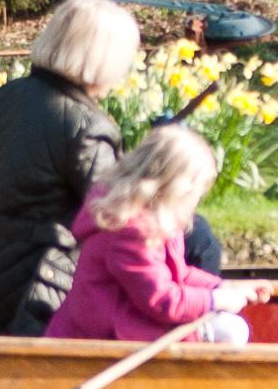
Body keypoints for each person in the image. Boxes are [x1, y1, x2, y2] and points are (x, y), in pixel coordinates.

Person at [0, 0, 225, 336]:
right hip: (41, 300)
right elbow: (121, 216)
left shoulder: (6, 97)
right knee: (198, 237)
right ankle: (195, 337)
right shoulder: (87, 126)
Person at [46, 125, 265, 346]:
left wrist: (222, 287)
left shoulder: (156, 219)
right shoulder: (131, 231)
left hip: (129, 325)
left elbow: (178, 273)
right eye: (199, 192)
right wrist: (214, 300)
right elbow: (162, 300)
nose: (198, 201)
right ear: (178, 189)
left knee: (229, 324)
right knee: (232, 329)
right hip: (102, 340)